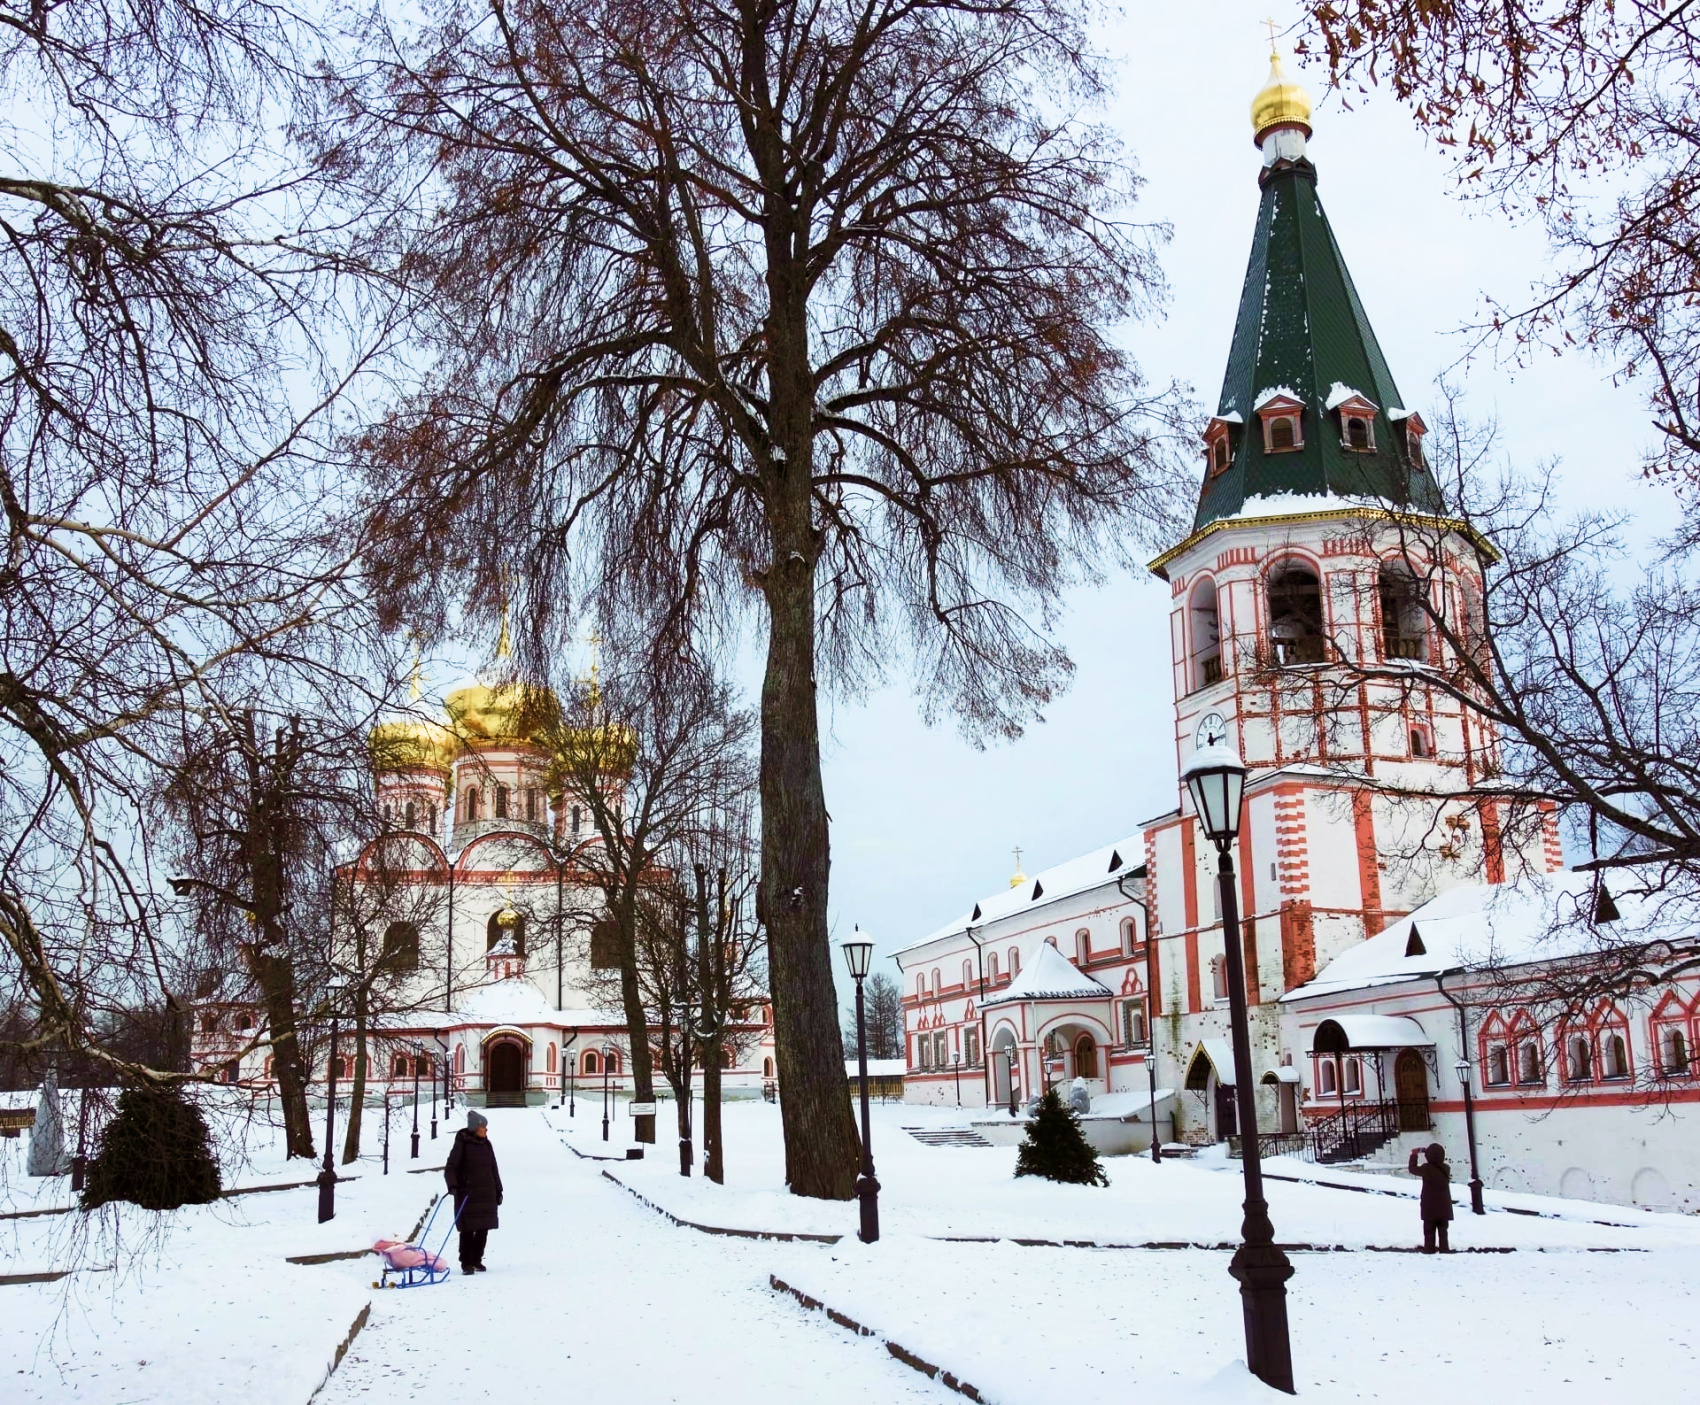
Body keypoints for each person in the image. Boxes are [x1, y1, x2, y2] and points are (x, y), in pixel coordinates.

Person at [445, 1108, 503, 1274]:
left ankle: (477, 1259)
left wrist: (498, 1189)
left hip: (486, 1194)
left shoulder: (487, 1144)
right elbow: (451, 1166)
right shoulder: (463, 1143)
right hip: (467, 1194)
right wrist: (453, 1186)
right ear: (475, 1128)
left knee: (483, 1228)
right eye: (483, 1127)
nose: (486, 1130)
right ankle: (466, 1263)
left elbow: (493, 1168)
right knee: (468, 1230)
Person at [1408, 1142, 1453, 1253]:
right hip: (1444, 1206)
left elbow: (1412, 1169)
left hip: (1430, 1206)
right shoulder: (1446, 1168)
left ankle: (1429, 1248)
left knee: (1429, 1230)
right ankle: (1444, 1248)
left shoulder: (1426, 1169)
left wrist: (1414, 1155)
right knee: (1443, 1230)